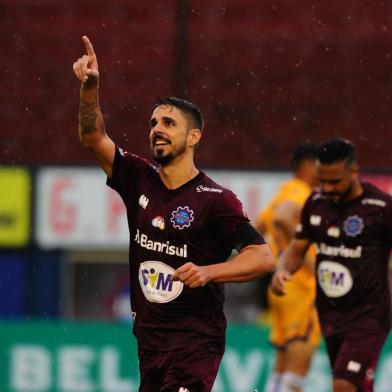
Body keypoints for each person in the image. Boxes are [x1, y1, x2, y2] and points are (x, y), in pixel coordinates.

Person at [72, 36, 275, 392]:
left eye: (168, 123)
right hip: (150, 341)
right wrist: (90, 89)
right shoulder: (138, 177)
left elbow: (263, 258)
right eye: (153, 123)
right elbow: (93, 137)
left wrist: (210, 271)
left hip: (194, 342)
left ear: (194, 136)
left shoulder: (216, 199)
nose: (157, 130)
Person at [271, 138, 392, 392]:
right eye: (322, 180)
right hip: (330, 312)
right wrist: (283, 270)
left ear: (354, 172)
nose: (327, 188)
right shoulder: (315, 203)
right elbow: (298, 247)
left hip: (369, 314)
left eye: (335, 181)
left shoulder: (380, 207)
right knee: (357, 385)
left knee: (343, 384)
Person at [256, 143, 321, 392]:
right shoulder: (302, 193)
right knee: (299, 364)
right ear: (308, 166)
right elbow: (283, 217)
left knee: (282, 363)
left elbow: (259, 226)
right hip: (301, 285)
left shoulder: (282, 192)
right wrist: (302, 258)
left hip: (280, 285)